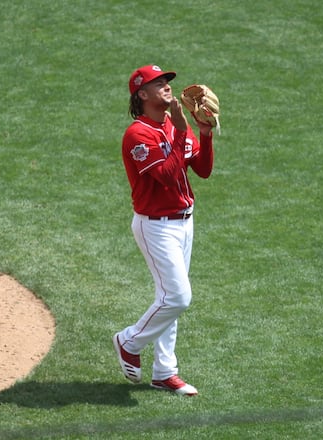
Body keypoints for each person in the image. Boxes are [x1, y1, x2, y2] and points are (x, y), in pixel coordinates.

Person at [113, 65, 214, 396]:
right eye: (159, 83)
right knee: (178, 297)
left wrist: (205, 133)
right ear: (142, 94)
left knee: (168, 298)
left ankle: (164, 372)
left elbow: (202, 169)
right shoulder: (138, 135)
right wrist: (183, 130)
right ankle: (128, 341)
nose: (168, 86)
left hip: (185, 221)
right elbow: (168, 176)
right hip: (156, 227)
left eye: (167, 81)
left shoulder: (170, 124)